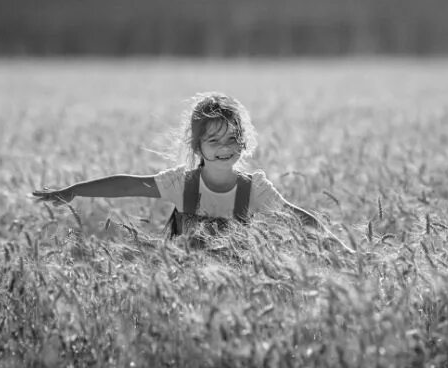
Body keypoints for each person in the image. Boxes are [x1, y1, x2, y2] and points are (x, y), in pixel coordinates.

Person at [32, 92, 352, 252]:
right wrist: (74, 189)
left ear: (244, 142)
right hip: (181, 293)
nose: (224, 147)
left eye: (232, 138)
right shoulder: (181, 184)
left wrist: (345, 251)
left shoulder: (253, 190)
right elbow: (127, 185)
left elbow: (299, 218)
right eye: (213, 140)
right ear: (198, 147)